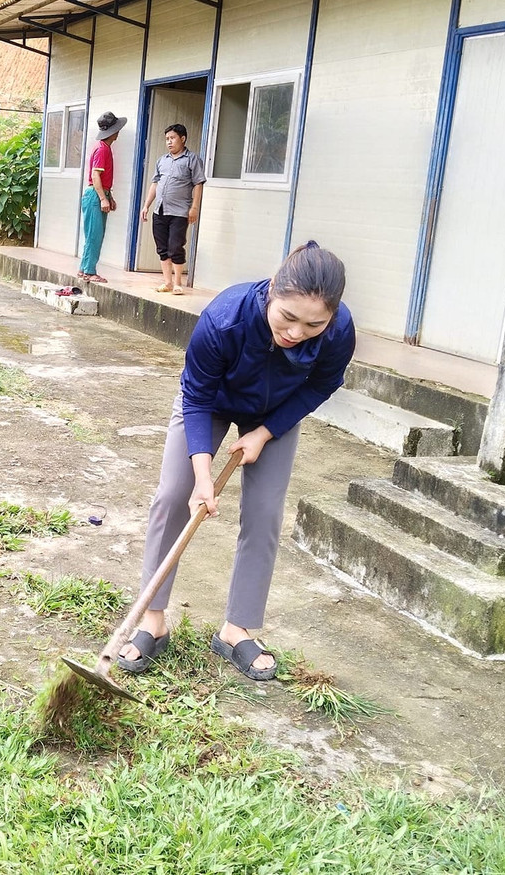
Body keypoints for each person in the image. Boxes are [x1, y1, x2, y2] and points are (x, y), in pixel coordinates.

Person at [118, 242, 355, 680]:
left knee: (265, 510)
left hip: (274, 413)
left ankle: (236, 629)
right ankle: (152, 618)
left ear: (332, 316)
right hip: (209, 404)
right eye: (287, 317)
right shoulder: (224, 317)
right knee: (174, 495)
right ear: (271, 292)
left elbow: (322, 385)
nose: (296, 332)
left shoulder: (339, 331)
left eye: (313, 324)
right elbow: (196, 394)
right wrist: (203, 475)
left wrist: (265, 432)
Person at [140, 123, 205, 296]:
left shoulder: (192, 159)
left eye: (173, 138)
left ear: (182, 139)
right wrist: (146, 205)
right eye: (167, 139)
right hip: (159, 210)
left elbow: (198, 184)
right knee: (162, 247)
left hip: (179, 211)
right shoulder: (162, 160)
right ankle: (167, 282)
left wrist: (194, 207)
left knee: (175, 246)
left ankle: (177, 283)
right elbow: (155, 183)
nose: (169, 142)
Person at [78, 111, 126, 284]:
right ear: (113, 131)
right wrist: (103, 198)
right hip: (95, 195)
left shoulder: (104, 148)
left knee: (93, 234)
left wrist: (109, 196)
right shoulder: (101, 149)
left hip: (99, 193)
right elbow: (95, 175)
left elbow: (102, 179)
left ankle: (84, 269)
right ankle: (90, 271)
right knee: (94, 235)